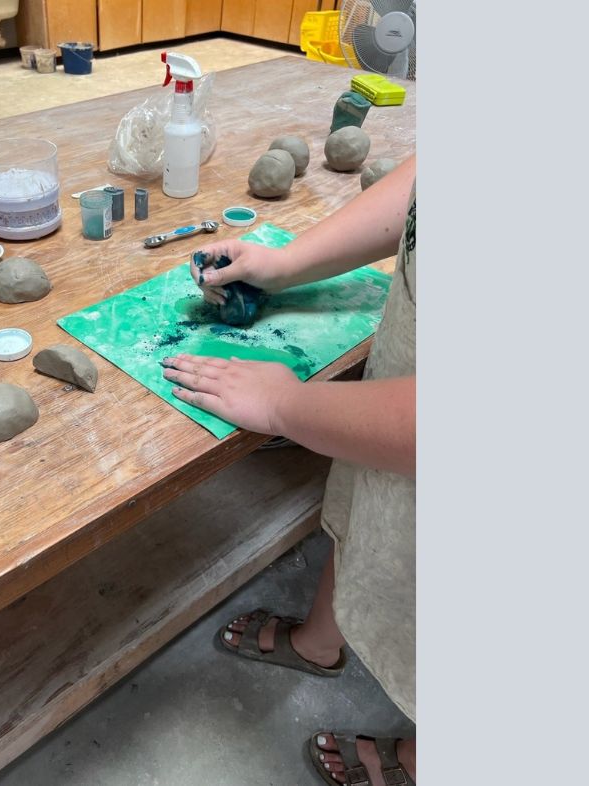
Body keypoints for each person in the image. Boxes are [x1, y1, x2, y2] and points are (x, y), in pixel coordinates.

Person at [160, 154, 416, 785]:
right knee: (370, 504)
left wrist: (284, 404)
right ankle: (320, 640)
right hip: (405, 390)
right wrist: (288, 262)